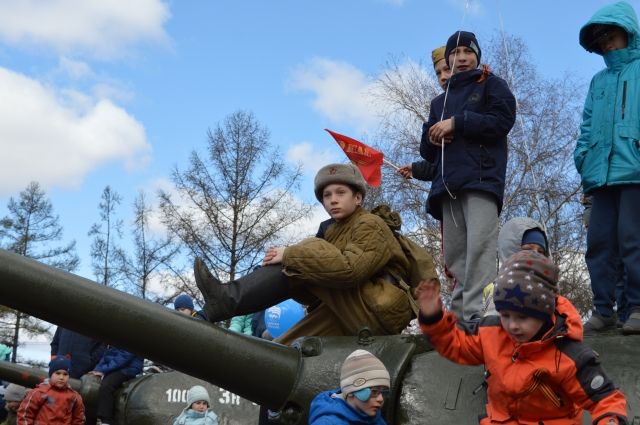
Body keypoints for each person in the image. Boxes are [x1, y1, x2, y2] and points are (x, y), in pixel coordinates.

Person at [195, 163, 429, 345]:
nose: (333, 199)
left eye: (341, 192)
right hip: (348, 306)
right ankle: (211, 311)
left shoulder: (371, 224)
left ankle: (226, 300)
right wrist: (290, 258)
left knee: (303, 255)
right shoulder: (332, 230)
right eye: (327, 195)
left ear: (358, 198)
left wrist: (290, 255)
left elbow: (350, 270)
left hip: (375, 309)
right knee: (282, 358)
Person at [417, 250, 628, 424]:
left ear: (544, 312)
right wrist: (433, 317)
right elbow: (455, 344)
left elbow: (606, 399)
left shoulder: (569, 353)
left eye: (522, 317)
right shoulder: (492, 332)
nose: (512, 325)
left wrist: (610, 420)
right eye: (505, 315)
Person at [419, 30, 516, 321]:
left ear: (476, 56)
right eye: (455, 53)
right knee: (455, 256)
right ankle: (461, 315)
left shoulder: (492, 85)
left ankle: (480, 313)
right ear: (449, 58)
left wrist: (458, 123)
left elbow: (502, 120)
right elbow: (426, 147)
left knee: (480, 249)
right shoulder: (439, 101)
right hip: (447, 188)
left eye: (467, 52)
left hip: (481, 181)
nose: (461, 58)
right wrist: (434, 137)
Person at [575, 1, 640, 335]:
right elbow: (586, 127)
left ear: (628, 32)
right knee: (599, 242)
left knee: (633, 240)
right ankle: (603, 309)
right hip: (600, 175)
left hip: (635, 172)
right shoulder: (598, 81)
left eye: (610, 36)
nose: (606, 44)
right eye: (600, 40)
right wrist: (583, 159)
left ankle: (636, 307)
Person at [397, 46, 450, 181]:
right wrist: (416, 169)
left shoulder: (482, 95)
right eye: (438, 73)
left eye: (447, 69)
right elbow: (443, 164)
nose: (443, 77)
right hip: (443, 192)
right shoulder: (437, 105)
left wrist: (456, 123)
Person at [483, 217, 549, 316]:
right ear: (510, 251)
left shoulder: (547, 290)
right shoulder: (501, 289)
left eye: (541, 251)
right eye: (527, 250)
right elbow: (491, 328)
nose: (536, 255)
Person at [582, 194, 628, 329]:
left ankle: (627, 310)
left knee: (626, 253)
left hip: (628, 189)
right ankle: (604, 310)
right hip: (599, 191)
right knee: (600, 250)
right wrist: (589, 215)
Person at [308, 349, 390, 425]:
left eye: (383, 392)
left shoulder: (373, 417)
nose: (381, 399)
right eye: (374, 392)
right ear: (350, 392)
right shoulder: (328, 422)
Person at [17, 356, 85, 425]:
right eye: (58, 373)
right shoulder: (39, 392)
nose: (61, 377)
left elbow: (79, 418)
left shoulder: (74, 397)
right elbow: (25, 414)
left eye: (65, 374)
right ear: (51, 374)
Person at [88, 346, 143, 425]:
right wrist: (98, 369)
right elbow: (106, 355)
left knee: (107, 386)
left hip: (128, 368)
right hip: (115, 368)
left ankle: (106, 421)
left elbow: (124, 357)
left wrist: (103, 369)